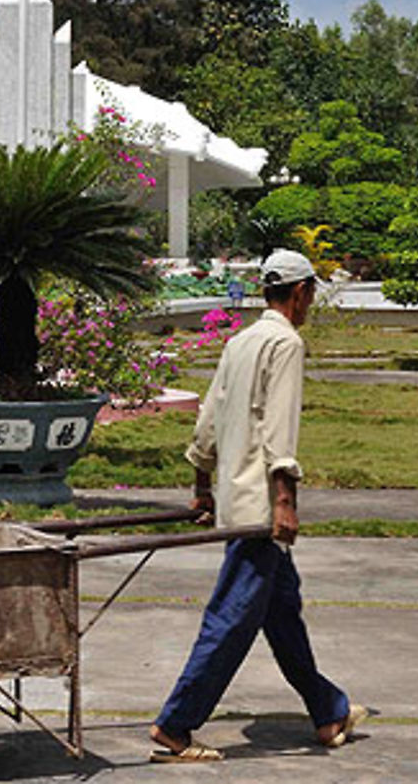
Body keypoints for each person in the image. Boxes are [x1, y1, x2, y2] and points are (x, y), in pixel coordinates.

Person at [149, 249, 366, 763]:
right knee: (233, 615)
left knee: (281, 610)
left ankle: (328, 709)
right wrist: (285, 501)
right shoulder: (286, 343)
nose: (310, 301)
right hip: (261, 508)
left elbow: (210, 416)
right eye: (311, 292)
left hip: (236, 498)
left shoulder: (241, 341)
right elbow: (279, 429)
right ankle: (175, 726)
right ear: (299, 293)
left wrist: (203, 485)